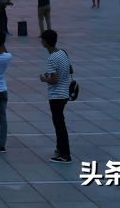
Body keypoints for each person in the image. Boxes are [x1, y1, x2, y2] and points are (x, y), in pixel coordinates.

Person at [39, 29, 72, 163]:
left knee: (59, 125)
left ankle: (65, 154)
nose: (41, 42)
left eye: (42, 40)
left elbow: (54, 80)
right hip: (65, 93)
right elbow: (70, 69)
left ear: (46, 42)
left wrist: (44, 79)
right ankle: (59, 148)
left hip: (56, 95)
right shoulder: (62, 53)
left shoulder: (51, 58)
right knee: (59, 122)